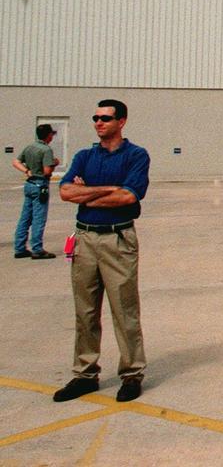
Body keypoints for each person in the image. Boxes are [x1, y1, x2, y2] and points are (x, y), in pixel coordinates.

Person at [53, 100, 150, 404]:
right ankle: (85, 374)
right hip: (85, 240)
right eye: (95, 118)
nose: (98, 123)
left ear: (121, 121)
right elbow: (66, 191)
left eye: (105, 118)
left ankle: (132, 374)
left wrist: (88, 193)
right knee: (85, 311)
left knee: (124, 310)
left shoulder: (136, 156)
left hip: (117, 240)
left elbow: (129, 196)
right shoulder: (84, 156)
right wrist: (108, 190)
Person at [13, 123, 59, 260]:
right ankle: (37, 249)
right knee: (39, 218)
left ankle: (19, 247)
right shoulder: (46, 150)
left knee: (25, 217)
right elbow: (47, 171)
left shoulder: (30, 147)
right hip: (41, 184)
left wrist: (27, 171)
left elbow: (15, 162)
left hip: (29, 183)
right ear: (48, 135)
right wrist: (54, 163)